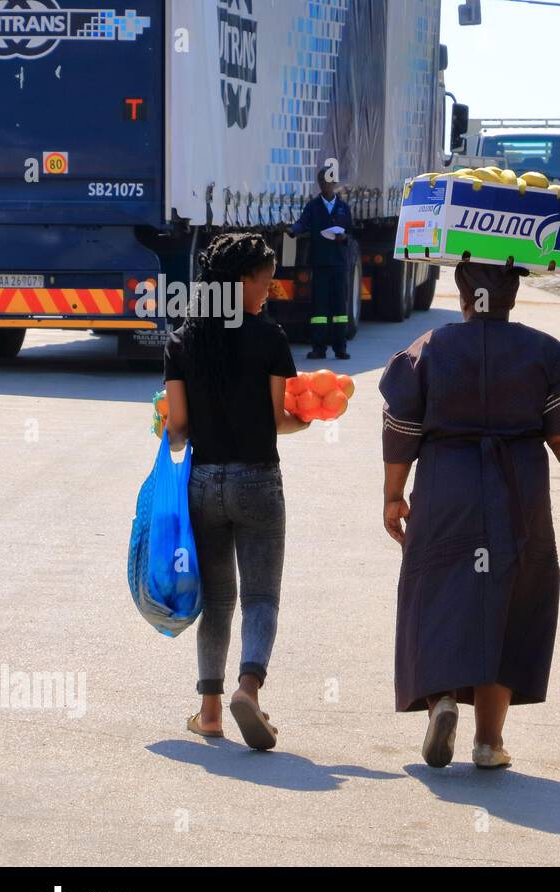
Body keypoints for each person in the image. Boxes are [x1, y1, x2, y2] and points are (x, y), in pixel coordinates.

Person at [379, 262, 560, 770]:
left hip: (445, 488)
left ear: (461, 294)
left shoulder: (428, 350)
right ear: (514, 293)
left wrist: (393, 494)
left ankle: (439, 697)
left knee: (438, 591)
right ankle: (488, 741)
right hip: (518, 490)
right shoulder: (549, 356)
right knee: (512, 602)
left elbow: (400, 430)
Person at [163, 233, 310, 751]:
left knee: (218, 601)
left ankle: (208, 713)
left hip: (204, 483)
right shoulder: (269, 338)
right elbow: (277, 421)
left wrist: (166, 422)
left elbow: (177, 427)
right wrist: (309, 420)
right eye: (264, 282)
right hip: (257, 480)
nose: (268, 292)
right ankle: (248, 688)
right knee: (261, 596)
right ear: (239, 281)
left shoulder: (184, 340)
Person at [289, 167, 354, 361]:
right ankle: (319, 348)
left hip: (338, 264)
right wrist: (292, 230)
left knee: (339, 309)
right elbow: (303, 223)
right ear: (320, 184)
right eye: (322, 182)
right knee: (319, 309)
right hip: (320, 263)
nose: (326, 186)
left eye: (329, 182)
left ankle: (340, 348)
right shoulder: (313, 207)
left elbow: (351, 233)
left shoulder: (343, 208)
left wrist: (343, 237)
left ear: (334, 184)